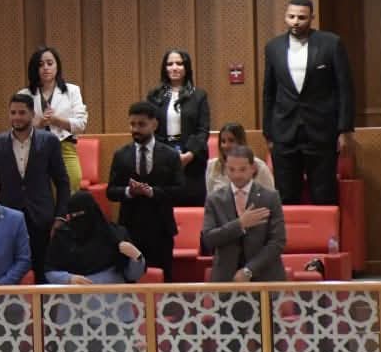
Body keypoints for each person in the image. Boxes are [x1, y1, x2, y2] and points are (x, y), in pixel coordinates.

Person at [262, 0, 355, 205]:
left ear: (312, 18)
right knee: (285, 196)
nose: (295, 22)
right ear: (285, 17)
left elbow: (345, 89)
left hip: (321, 131)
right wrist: (268, 132)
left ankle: (326, 229)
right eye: (291, 16)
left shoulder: (331, 43)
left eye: (301, 17)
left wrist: (345, 129)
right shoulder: (273, 47)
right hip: (284, 132)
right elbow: (269, 92)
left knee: (324, 195)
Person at [0, 93, 70, 283]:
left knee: (42, 272)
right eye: (13, 113)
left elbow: (62, 181)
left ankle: (44, 304)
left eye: (22, 113)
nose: (17, 117)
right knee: (9, 272)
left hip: (41, 217)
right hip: (8, 217)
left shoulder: (49, 141)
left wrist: (60, 216)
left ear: (32, 114)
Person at [106, 100, 183, 280]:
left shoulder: (170, 155)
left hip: (161, 229)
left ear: (154, 124)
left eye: (141, 124)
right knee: (131, 280)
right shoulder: (121, 155)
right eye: (132, 124)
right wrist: (129, 191)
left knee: (163, 279)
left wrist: (152, 192)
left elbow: (180, 191)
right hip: (130, 229)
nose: (135, 129)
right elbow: (111, 191)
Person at [202, 145, 287, 283]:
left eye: (242, 169)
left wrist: (249, 270)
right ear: (226, 169)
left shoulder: (270, 197)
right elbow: (208, 239)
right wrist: (240, 224)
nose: (237, 175)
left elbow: (278, 241)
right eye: (231, 169)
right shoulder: (214, 200)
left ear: (253, 168)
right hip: (226, 279)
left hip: (265, 278)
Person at [146, 49, 211, 207]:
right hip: (163, 159)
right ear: (164, 68)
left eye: (179, 63)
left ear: (186, 67)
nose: (174, 68)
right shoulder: (155, 95)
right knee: (164, 207)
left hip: (192, 161)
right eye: (170, 64)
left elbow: (203, 130)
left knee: (192, 207)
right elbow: (149, 128)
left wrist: (189, 155)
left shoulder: (198, 95)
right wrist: (167, 155)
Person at [22, 46, 88, 195]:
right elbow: (18, 128)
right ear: (34, 68)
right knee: (41, 195)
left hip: (65, 147)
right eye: (40, 64)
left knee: (71, 192)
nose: (46, 68)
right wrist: (39, 124)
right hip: (35, 150)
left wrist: (55, 120)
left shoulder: (72, 91)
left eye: (50, 63)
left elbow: (81, 125)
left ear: (57, 66)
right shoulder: (24, 94)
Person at [45, 191, 148, 285]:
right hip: (74, 296)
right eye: (73, 216)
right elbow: (49, 271)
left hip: (113, 295)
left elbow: (132, 275)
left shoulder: (115, 234)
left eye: (80, 215)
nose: (77, 220)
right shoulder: (62, 236)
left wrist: (136, 257)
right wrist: (67, 278)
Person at [206, 122, 275, 195]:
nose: (226, 145)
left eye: (231, 140)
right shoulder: (212, 166)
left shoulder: (259, 166)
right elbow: (210, 197)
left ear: (241, 142)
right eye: (223, 141)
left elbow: (270, 196)